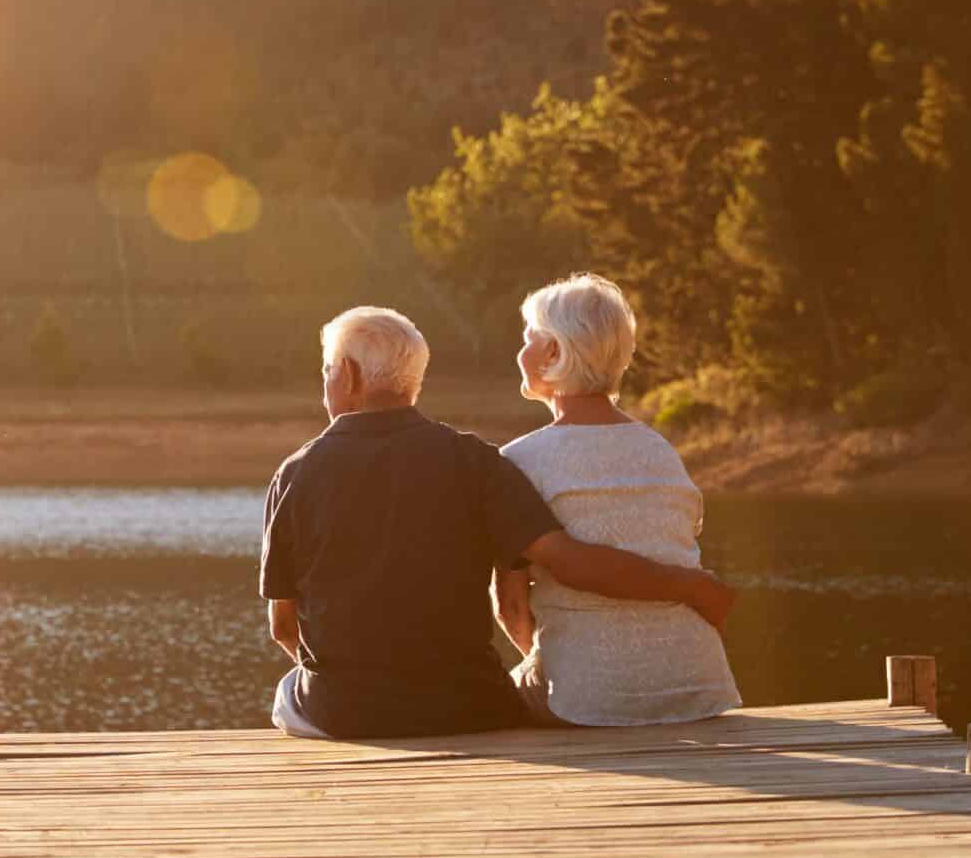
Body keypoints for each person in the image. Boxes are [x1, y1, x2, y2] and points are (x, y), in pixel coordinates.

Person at [263, 305, 734, 740]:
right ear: (414, 380)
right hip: (469, 706)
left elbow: (283, 627)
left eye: (327, 371)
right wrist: (690, 586)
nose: (326, 383)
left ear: (347, 375)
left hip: (344, 712)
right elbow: (546, 573)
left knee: (288, 693)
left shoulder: (294, 474)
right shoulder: (479, 462)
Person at [496, 274, 742, 726]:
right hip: (698, 689)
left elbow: (512, 610)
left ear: (553, 352)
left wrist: (555, 664)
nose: (520, 352)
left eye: (529, 339)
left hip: (587, 701)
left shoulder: (517, 461)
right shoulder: (661, 451)